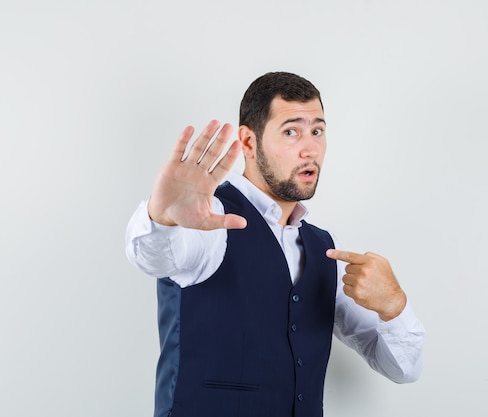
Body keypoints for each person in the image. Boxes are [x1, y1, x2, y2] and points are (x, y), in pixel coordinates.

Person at [125, 71, 425, 417]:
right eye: (291, 131)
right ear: (249, 143)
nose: (310, 147)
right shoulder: (209, 218)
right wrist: (161, 218)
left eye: (318, 131)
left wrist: (394, 306)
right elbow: (152, 257)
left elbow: (403, 368)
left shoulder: (326, 249)